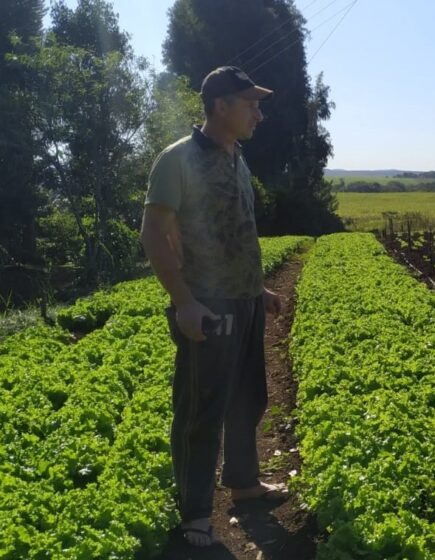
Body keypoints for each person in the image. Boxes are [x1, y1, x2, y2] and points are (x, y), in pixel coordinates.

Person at [140, 66, 284, 547]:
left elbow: (236, 231)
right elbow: (153, 234)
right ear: (221, 106)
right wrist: (184, 302)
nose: (258, 114)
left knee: (248, 399)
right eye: (250, 104)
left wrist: (258, 290)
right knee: (201, 411)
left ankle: (244, 484)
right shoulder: (177, 159)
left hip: (244, 302)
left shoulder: (236, 158)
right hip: (208, 306)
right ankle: (195, 513)